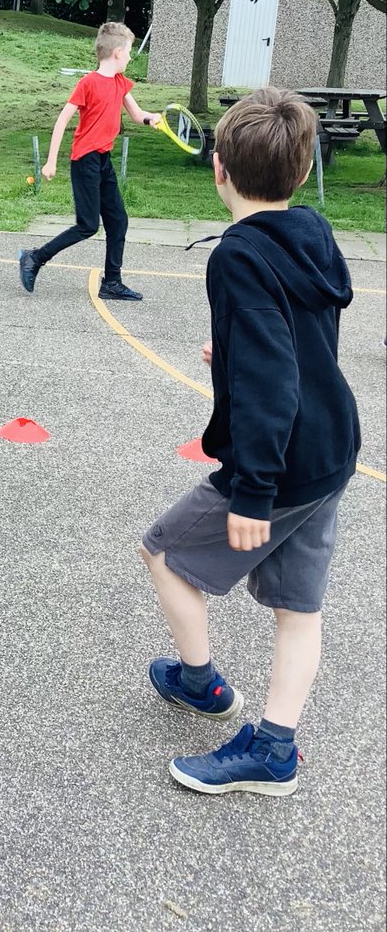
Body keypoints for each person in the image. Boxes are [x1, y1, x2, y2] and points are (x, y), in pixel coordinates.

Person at [139, 87, 360, 796]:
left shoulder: (237, 255)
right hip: (331, 452)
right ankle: (276, 748)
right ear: (300, 177)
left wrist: (253, 492)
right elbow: (299, 337)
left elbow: (272, 384)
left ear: (217, 170)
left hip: (283, 464)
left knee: (166, 554)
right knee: (300, 609)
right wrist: (232, 348)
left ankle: (202, 687)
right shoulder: (313, 233)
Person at [18, 22, 158, 301]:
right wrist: (50, 162)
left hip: (103, 160)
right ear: (118, 52)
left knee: (118, 221)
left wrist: (150, 118)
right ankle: (34, 258)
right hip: (85, 161)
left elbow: (136, 113)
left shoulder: (120, 83)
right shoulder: (88, 83)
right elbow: (62, 120)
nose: (131, 57)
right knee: (88, 225)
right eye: (130, 51)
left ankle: (112, 283)